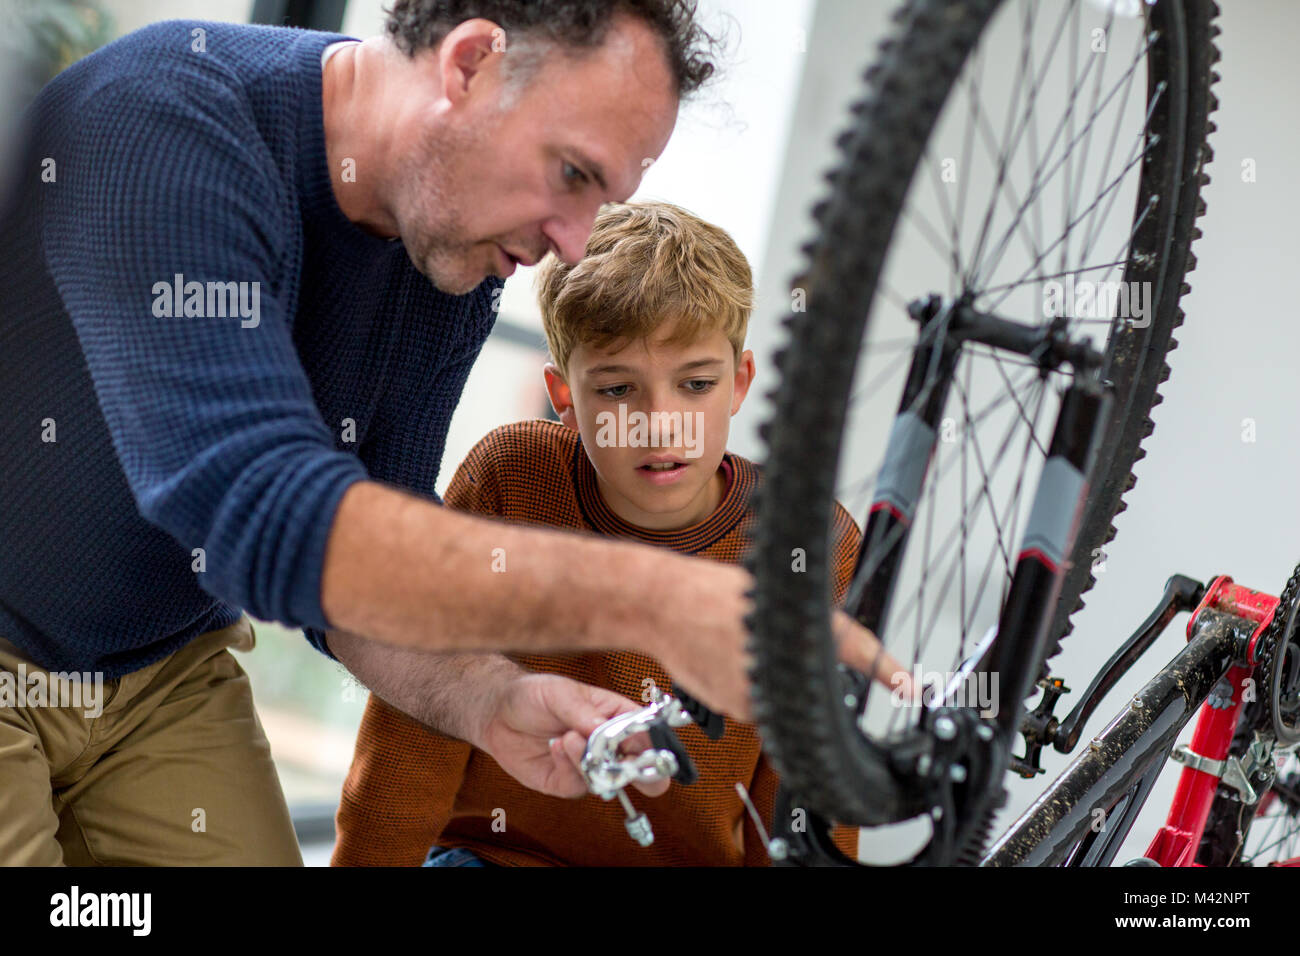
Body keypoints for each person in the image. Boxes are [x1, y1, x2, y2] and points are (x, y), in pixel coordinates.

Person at [0, 1, 884, 866]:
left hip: (164, 671)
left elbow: (363, 564)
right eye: (574, 174)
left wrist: (489, 697)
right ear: (468, 64)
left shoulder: (447, 250)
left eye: (607, 195)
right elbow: (260, 511)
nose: (576, 246)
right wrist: (654, 595)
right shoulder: (166, 121)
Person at [331, 202, 891, 866]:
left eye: (696, 384)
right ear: (563, 396)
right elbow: (413, 737)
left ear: (739, 383)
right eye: (619, 388)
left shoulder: (812, 542)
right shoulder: (510, 477)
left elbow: (809, 802)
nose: (660, 424)